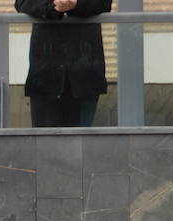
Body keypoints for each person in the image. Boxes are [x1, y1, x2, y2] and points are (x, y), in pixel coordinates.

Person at [14, 0, 111, 128]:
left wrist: (76, 4)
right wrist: (53, 7)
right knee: (45, 144)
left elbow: (104, 3)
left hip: (84, 71)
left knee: (80, 144)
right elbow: (22, 3)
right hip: (45, 74)